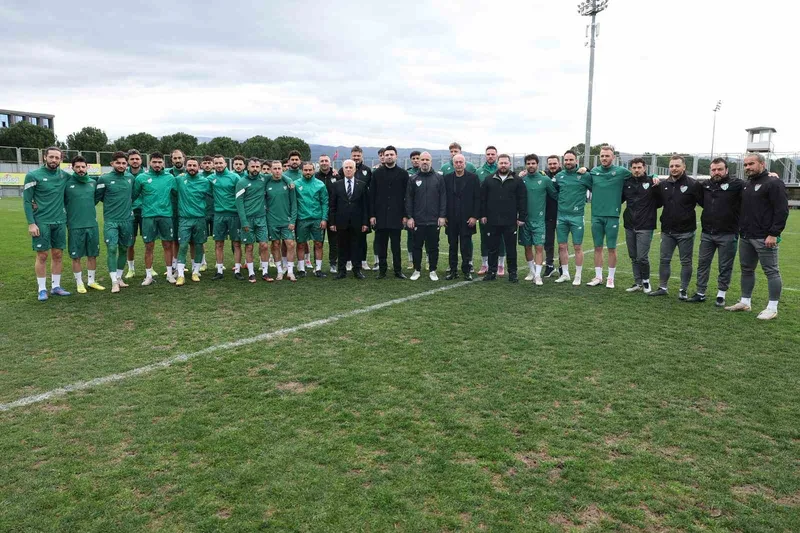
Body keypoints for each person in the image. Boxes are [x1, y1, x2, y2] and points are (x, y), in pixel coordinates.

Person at [725, 153, 789, 320]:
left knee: (771, 271)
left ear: (762, 164)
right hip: (746, 235)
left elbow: (782, 210)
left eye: (751, 164)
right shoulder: (747, 184)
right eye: (745, 165)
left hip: (765, 237)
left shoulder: (773, 183)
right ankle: (745, 302)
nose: (748, 167)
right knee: (746, 269)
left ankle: (772, 308)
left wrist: (774, 234)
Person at [688, 158, 743, 305]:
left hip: (728, 233)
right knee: (703, 264)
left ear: (726, 170)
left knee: (725, 266)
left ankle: (721, 294)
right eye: (713, 169)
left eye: (720, 169)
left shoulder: (737, 184)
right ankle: (700, 293)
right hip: (707, 233)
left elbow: (755, 185)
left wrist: (770, 175)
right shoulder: (705, 185)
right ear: (710, 171)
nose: (716, 172)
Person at [648, 155, 702, 299]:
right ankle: (662, 287)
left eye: (677, 166)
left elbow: (704, 203)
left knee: (686, 261)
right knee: (664, 260)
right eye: (671, 166)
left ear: (684, 167)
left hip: (686, 231)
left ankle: (683, 290)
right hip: (667, 231)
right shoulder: (663, 185)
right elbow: (658, 203)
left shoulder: (693, 184)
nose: (674, 168)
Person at [24, 146, 72, 300]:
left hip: (59, 221)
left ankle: (56, 287)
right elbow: (27, 201)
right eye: (51, 157)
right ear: (45, 157)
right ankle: (42, 289)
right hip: (41, 222)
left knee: (58, 254)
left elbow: (81, 181)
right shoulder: (33, 175)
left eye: (57, 158)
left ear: (61, 159)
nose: (54, 160)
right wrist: (31, 223)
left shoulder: (65, 176)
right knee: (42, 255)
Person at [586, 145, 630, 288]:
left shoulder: (621, 171)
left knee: (612, 248)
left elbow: (639, 176)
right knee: (597, 247)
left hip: (612, 215)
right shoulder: (594, 172)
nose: (604, 158)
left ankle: (610, 278)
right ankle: (598, 277)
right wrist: (583, 169)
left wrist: (654, 176)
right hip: (596, 215)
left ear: (613, 157)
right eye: (602, 156)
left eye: (607, 156)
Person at [480, 154, 527, 283]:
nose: (503, 165)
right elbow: (483, 199)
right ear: (498, 164)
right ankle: (491, 272)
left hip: (510, 221)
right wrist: (483, 215)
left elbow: (522, 200)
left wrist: (522, 217)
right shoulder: (489, 179)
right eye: (501, 163)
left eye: (506, 163)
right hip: (492, 220)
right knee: (492, 248)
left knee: (511, 249)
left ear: (510, 164)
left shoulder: (517, 180)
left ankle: (513, 273)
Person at [132, 152, 177, 285]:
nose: (157, 165)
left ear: (163, 163)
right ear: (149, 163)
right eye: (154, 162)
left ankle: (169, 274)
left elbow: (177, 194)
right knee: (149, 246)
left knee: (167, 245)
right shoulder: (141, 178)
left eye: (159, 162)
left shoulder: (170, 178)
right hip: (148, 216)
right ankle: (148, 276)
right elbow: (133, 196)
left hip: (166, 215)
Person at [95, 151, 136, 293]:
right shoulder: (104, 179)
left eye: (124, 163)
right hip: (111, 221)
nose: (121, 165)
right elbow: (97, 197)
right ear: (112, 163)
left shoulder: (130, 178)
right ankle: (113, 282)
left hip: (127, 220)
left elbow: (133, 195)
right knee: (112, 248)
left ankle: (119, 278)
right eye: (118, 163)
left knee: (124, 249)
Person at [65, 156, 103, 293]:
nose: (80, 169)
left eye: (83, 167)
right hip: (75, 225)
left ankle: (91, 281)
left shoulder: (93, 183)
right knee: (76, 256)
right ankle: (79, 283)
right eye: (77, 167)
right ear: (72, 168)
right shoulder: (67, 183)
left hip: (92, 224)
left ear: (87, 167)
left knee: (92, 255)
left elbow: (95, 200)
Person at [621, 157, 659, 293]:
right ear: (630, 169)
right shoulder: (626, 183)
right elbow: (620, 199)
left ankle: (646, 282)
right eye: (634, 168)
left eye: (639, 167)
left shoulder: (652, 182)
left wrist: (655, 176)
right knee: (633, 256)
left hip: (646, 225)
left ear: (645, 168)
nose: (636, 170)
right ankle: (637, 283)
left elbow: (660, 201)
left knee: (642, 257)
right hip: (629, 224)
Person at [370, 146, 409, 279]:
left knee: (396, 246)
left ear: (396, 156)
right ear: (383, 157)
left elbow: (407, 196)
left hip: (396, 216)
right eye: (386, 155)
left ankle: (398, 270)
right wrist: (372, 215)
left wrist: (405, 215)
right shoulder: (376, 173)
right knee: (381, 246)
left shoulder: (403, 174)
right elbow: (372, 195)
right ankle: (382, 271)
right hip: (380, 216)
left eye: (391, 154)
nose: (389, 157)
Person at [406, 152, 446, 281]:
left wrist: (442, 216)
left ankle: (433, 270)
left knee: (433, 247)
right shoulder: (413, 179)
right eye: (422, 159)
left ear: (431, 161)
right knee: (417, 246)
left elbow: (443, 198)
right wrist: (410, 217)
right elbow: (409, 199)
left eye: (427, 159)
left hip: (434, 220)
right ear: (419, 162)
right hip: (418, 220)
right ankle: (417, 270)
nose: (424, 162)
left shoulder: (439, 178)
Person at [554, 150, 592, 285]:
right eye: (566, 160)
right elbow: (553, 190)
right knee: (562, 246)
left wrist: (587, 169)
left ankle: (578, 275)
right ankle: (565, 274)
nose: (568, 162)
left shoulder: (585, 175)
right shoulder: (559, 176)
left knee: (577, 247)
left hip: (577, 216)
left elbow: (597, 183)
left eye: (571, 160)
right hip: (561, 216)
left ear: (576, 160)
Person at [519, 154, 557, 285]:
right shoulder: (521, 180)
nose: (531, 166)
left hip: (540, 221)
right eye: (528, 163)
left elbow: (555, 196)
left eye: (533, 163)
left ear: (537, 164)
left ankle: (538, 275)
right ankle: (532, 271)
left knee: (539, 248)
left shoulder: (545, 180)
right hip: (524, 221)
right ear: (525, 165)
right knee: (527, 247)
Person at [174, 157, 212, 286]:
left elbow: (213, 196)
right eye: (189, 165)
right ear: (185, 166)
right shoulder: (179, 179)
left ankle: (195, 272)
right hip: (184, 218)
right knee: (183, 245)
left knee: (199, 245)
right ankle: (180, 275)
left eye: (194, 165)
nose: (191, 168)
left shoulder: (205, 182)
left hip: (200, 219)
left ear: (199, 167)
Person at [329, 159, 369, 279]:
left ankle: (357, 270)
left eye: (350, 167)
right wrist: (332, 222)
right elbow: (332, 205)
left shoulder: (362, 185)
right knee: (341, 247)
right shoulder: (336, 185)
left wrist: (365, 222)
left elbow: (365, 206)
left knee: (357, 247)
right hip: (341, 222)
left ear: (355, 169)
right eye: (346, 167)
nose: (348, 169)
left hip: (357, 222)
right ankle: (341, 271)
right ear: (343, 169)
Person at [443, 154, 480, 280]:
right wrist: (444, 215)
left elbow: (477, 198)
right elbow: (444, 198)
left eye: (461, 162)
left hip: (467, 219)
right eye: (456, 162)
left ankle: (466, 271)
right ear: (453, 164)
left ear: (465, 163)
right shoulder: (447, 178)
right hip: (451, 219)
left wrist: (474, 216)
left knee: (466, 247)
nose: (458, 164)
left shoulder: (473, 178)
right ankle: (453, 271)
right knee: (452, 246)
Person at [235, 157, 271, 283]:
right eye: (253, 167)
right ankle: (251, 273)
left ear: (260, 168)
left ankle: (265, 272)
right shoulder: (242, 182)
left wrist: (289, 181)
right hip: (248, 219)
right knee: (249, 246)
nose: (255, 169)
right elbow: (239, 203)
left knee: (264, 245)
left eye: (257, 167)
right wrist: (244, 221)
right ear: (248, 167)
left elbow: (279, 175)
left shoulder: (264, 178)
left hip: (261, 218)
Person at [209, 155, 244, 280]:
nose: (219, 165)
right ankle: (219, 271)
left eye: (221, 163)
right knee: (219, 243)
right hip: (219, 215)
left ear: (225, 164)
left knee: (236, 243)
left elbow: (241, 195)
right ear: (213, 165)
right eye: (216, 163)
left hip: (234, 214)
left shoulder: (234, 177)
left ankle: (237, 270)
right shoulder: (211, 178)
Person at [266, 160, 298, 281]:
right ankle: (279, 271)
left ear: (283, 169)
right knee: (275, 244)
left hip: (286, 220)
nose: (277, 171)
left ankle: (290, 271)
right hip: (272, 220)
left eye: (279, 168)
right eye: (275, 169)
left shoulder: (289, 184)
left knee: (290, 244)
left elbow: (294, 204)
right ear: (271, 170)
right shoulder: (266, 183)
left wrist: (292, 220)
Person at [295, 161, 329, 278]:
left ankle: (318, 269)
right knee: (301, 244)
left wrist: (324, 219)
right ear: (302, 171)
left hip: (317, 219)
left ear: (314, 170)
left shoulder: (320, 185)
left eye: (310, 170)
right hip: (301, 219)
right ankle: (301, 269)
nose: (308, 172)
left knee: (318, 244)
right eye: (306, 170)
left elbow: (325, 203)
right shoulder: (296, 184)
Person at [475, 146, 502, 275]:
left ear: (496, 155)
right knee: (484, 237)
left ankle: (501, 265)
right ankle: (484, 264)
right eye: (488, 154)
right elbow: (476, 193)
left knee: (501, 238)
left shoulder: (502, 169)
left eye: (492, 154)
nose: (490, 156)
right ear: (485, 156)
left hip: (500, 211)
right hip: (484, 211)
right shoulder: (479, 171)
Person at [124, 149, 146, 279]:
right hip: (129, 213)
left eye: (137, 159)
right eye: (132, 159)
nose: (135, 161)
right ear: (128, 161)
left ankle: (150, 268)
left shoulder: (147, 175)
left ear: (141, 160)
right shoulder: (124, 175)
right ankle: (131, 269)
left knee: (148, 242)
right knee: (129, 243)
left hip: (145, 212)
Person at [351, 146, 373, 271]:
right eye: (354, 156)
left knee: (362, 238)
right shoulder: (345, 169)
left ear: (362, 156)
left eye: (358, 156)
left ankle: (363, 261)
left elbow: (371, 188)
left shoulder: (367, 170)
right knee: (348, 237)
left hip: (363, 208)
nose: (356, 158)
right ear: (351, 156)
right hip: (349, 209)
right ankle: (349, 261)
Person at [316, 154, 339, 273]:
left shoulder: (337, 176)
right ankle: (317, 265)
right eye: (322, 161)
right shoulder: (315, 177)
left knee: (334, 240)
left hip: (333, 213)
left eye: (326, 161)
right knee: (318, 241)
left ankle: (333, 263)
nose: (324, 163)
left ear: (330, 163)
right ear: (319, 163)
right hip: (318, 213)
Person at [167, 149, 186, 275]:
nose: (178, 160)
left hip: (188, 210)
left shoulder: (190, 171)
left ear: (184, 158)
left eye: (179, 158)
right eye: (175, 158)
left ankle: (199, 264)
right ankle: (175, 265)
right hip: (172, 211)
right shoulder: (167, 174)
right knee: (174, 239)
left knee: (193, 240)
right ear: (171, 160)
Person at [543, 155, 562, 277]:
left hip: (562, 214)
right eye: (550, 164)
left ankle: (562, 266)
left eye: (554, 163)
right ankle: (549, 265)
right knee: (548, 242)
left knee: (562, 243)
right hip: (548, 214)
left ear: (559, 164)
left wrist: (585, 169)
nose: (552, 166)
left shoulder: (565, 175)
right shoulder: (543, 176)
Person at [405, 150, 422, 269]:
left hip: (424, 210)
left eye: (418, 158)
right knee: (410, 236)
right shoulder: (407, 173)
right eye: (414, 158)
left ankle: (427, 260)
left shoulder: (426, 172)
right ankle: (411, 260)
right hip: (411, 210)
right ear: (411, 160)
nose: (416, 160)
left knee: (426, 237)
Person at [199, 155, 215, 272]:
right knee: (201, 239)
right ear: (201, 165)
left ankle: (219, 263)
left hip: (216, 212)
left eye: (209, 163)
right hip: (202, 213)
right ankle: (203, 262)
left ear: (213, 164)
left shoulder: (217, 177)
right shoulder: (198, 177)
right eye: (205, 163)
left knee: (218, 239)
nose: (207, 165)